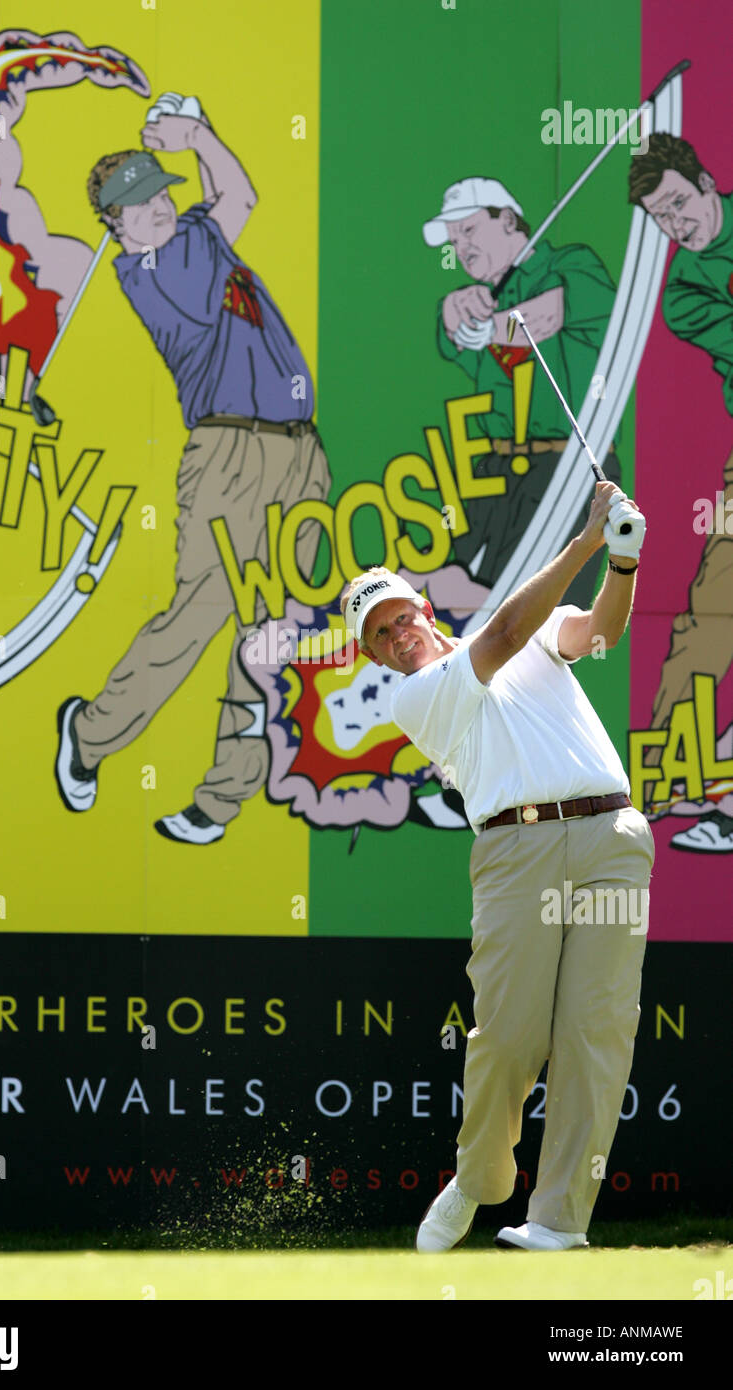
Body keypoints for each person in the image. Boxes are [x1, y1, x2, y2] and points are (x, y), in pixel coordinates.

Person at [340, 481, 654, 1251]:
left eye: (401, 616)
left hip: (613, 840)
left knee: (598, 1031)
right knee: (510, 1036)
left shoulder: (532, 635)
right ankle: (479, 1180)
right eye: (381, 633)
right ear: (372, 654)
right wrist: (584, 541)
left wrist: (623, 559)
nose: (398, 635)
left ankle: (557, 1222)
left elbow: (599, 630)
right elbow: (510, 628)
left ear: (424, 609)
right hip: (519, 855)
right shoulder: (416, 698)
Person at [55, 99, 331, 843]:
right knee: (203, 613)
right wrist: (197, 134)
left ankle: (221, 798)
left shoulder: (196, 235)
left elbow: (238, 196)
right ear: (115, 224)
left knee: (272, 629)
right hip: (229, 455)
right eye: (139, 206)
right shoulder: (150, 270)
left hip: (298, 450)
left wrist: (199, 137)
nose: (158, 209)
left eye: (163, 194)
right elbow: (232, 197)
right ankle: (89, 734)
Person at [425, 176, 620, 609]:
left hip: (567, 464)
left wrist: (487, 327)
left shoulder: (570, 263)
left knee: (542, 613)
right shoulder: (483, 296)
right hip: (496, 469)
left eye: (470, 230)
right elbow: (453, 336)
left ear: (509, 219)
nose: (462, 248)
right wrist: (453, 312)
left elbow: (550, 315)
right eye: (454, 241)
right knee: (452, 600)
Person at [628, 133, 733, 851]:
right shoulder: (686, 290)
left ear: (704, 182)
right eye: (661, 220)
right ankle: (667, 777)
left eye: (677, 205)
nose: (676, 226)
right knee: (711, 614)